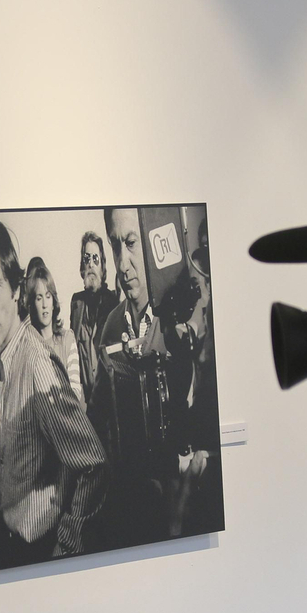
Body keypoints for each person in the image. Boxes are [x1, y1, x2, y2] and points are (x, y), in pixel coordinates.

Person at [0, 220, 106, 566]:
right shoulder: (2, 358)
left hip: (43, 549)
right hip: (15, 544)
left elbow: (93, 465)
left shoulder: (36, 364)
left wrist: (67, 547)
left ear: (16, 289)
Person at [92, 208, 215, 546]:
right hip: (133, 518)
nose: (121, 262)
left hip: (185, 517)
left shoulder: (187, 322)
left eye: (130, 243)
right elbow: (97, 420)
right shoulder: (110, 328)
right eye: (115, 246)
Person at [22, 256, 82, 401]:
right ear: (32, 304)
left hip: (70, 418)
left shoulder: (67, 339)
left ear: (53, 301)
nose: (44, 304)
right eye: (39, 298)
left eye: (48, 297)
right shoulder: (28, 346)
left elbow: (75, 390)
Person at [69, 231, 119, 402]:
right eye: (86, 259)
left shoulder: (113, 302)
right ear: (82, 267)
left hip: (109, 397)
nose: (91, 264)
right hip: (85, 402)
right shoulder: (76, 303)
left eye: (95, 259)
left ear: (102, 266)